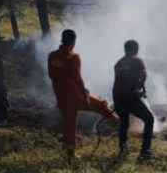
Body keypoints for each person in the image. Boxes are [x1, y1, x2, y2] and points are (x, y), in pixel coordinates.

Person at [48, 29, 120, 159]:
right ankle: (120, 123)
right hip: (75, 96)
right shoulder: (74, 57)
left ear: (62, 39)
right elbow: (78, 78)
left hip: (61, 98)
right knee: (101, 104)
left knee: (69, 124)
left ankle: (70, 154)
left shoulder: (52, 55)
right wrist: (85, 95)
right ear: (73, 41)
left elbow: (51, 75)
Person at [113, 40, 154, 159]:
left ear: (125, 49)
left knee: (124, 122)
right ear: (136, 49)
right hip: (130, 97)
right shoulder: (137, 60)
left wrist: (139, 87)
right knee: (149, 119)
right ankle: (145, 151)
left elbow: (121, 80)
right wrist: (139, 88)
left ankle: (123, 149)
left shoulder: (118, 63)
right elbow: (143, 75)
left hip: (118, 97)